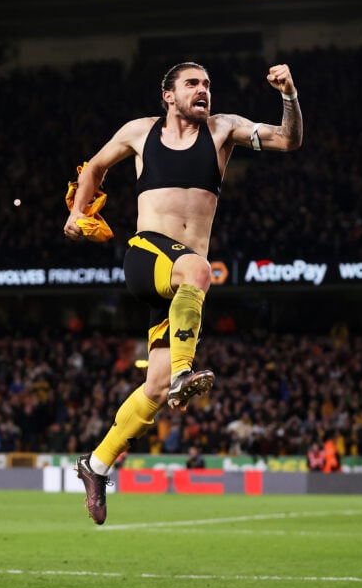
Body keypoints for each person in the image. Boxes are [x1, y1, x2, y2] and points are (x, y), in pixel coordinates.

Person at [65, 61, 302, 524]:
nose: (203, 90)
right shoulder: (139, 132)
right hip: (147, 255)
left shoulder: (223, 130)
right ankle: (183, 373)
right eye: (192, 83)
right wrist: (77, 212)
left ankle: (95, 465)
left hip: (178, 284)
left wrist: (289, 95)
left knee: (152, 385)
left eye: (208, 84)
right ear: (168, 95)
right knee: (199, 268)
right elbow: (94, 167)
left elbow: (289, 140)